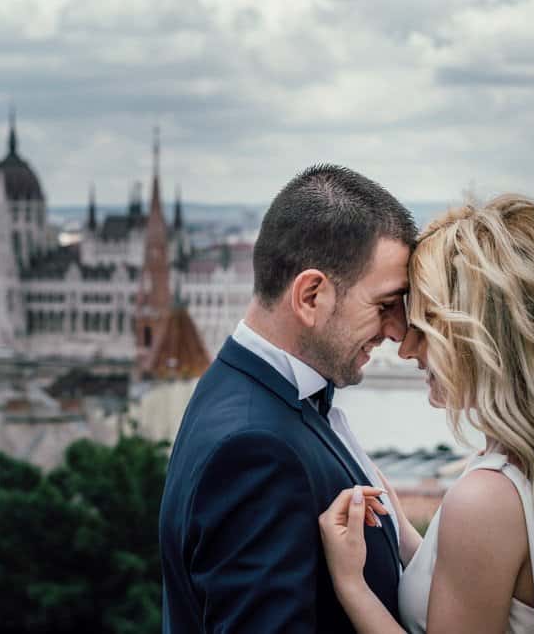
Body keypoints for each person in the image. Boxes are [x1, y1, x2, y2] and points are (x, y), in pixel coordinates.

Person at [319, 195, 534, 633]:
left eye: (425, 328)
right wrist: (399, 529)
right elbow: (472, 591)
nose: (405, 348)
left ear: (481, 339)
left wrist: (349, 585)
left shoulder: (485, 499)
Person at [159, 164, 417, 632]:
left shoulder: (245, 392)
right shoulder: (255, 450)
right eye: (384, 306)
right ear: (310, 295)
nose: (397, 333)